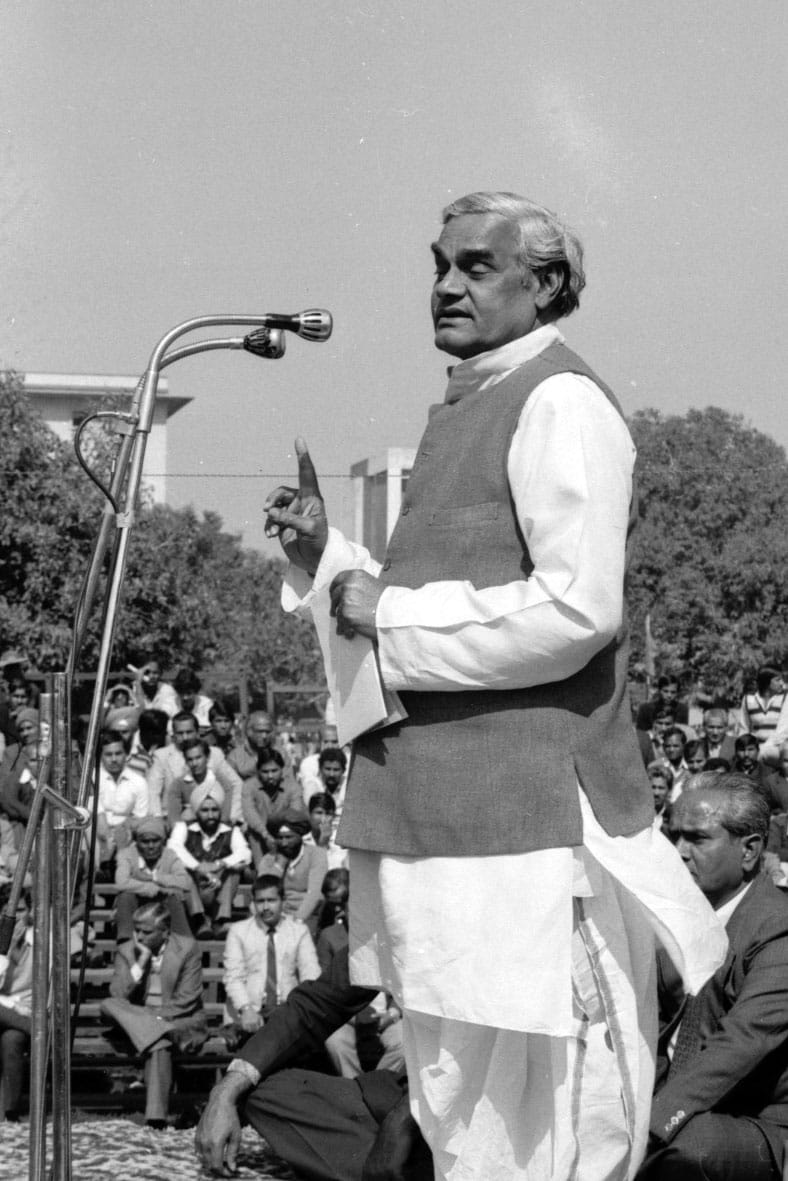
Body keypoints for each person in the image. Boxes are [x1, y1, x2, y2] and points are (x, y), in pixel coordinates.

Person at [262, 190, 725, 1178]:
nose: (444, 284)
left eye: (474, 265)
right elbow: (413, 602)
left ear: (544, 283)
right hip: (437, 828)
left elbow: (572, 612)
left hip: (527, 838)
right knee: (456, 1106)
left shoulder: (558, 401)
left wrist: (381, 611)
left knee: (550, 1119)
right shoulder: (467, 405)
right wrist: (327, 560)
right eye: (438, 263)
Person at [638, 774, 788, 1179]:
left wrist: (651, 1125)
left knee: (689, 1148)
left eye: (697, 839)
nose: (678, 852)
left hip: (756, 1121)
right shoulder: (676, 919)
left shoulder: (778, 926)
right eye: (673, 836)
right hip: (676, 1101)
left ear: (750, 850)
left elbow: (743, 1042)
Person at [195, 945, 431, 1181]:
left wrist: (402, 1124)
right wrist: (224, 1091)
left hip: (451, 1108)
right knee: (262, 1087)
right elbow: (317, 1003)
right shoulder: (393, 924)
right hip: (398, 1093)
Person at [100, 900, 208, 1128]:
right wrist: (140, 961)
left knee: (159, 1042)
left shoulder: (187, 948)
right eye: (136, 930)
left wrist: (154, 1018)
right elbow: (118, 995)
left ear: (165, 932)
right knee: (108, 1005)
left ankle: (156, 1119)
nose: (139, 936)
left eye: (146, 932)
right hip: (144, 1021)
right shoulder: (127, 950)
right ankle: (157, 1119)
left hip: (179, 1019)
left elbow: (186, 1000)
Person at [221, 873, 320, 1050]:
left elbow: (310, 974)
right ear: (253, 903)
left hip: (286, 1011)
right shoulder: (239, 931)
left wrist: (298, 1011)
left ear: (282, 901)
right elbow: (233, 977)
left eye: (271, 900)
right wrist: (246, 1009)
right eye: (260, 901)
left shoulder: (299, 931)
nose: (265, 907)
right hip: (247, 1014)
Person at [168, 783, 251, 937]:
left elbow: (245, 853)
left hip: (218, 890)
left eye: (214, 810)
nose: (211, 815)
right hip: (193, 889)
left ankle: (221, 920)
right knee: (181, 869)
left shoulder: (231, 831)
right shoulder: (183, 828)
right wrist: (198, 867)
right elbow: (173, 848)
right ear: (196, 811)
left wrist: (219, 864)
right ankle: (199, 920)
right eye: (205, 810)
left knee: (233, 871)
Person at [148, 711, 242, 822]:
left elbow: (236, 784)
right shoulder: (162, 756)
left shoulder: (214, 754)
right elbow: (152, 791)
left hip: (211, 817)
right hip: (174, 817)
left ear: (197, 732)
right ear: (173, 735)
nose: (185, 737)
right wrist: (158, 819)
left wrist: (232, 815)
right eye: (180, 733)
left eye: (189, 732)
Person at [114, 816, 192, 942]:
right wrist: (150, 888)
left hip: (162, 907)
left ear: (162, 841)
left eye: (155, 841)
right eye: (145, 841)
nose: (151, 846)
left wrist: (155, 878)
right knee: (125, 895)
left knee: (173, 895)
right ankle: (126, 939)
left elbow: (185, 881)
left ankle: (182, 941)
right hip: (135, 906)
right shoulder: (126, 854)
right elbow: (121, 881)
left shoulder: (169, 854)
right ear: (137, 842)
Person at [257, 810, 328, 932]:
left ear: (300, 836)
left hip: (308, 916)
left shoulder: (316, 855)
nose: (284, 843)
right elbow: (264, 892)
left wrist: (298, 920)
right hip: (276, 916)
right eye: (280, 838)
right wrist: (278, 866)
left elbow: (315, 894)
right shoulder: (268, 860)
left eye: (289, 837)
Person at [0, 884, 34, 1121]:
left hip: (26, 1012)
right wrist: (7, 950)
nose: (15, 918)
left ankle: (8, 1111)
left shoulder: (41, 940)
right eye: (8, 913)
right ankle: (39, 1032)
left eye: (20, 910)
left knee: (11, 1039)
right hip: (8, 1009)